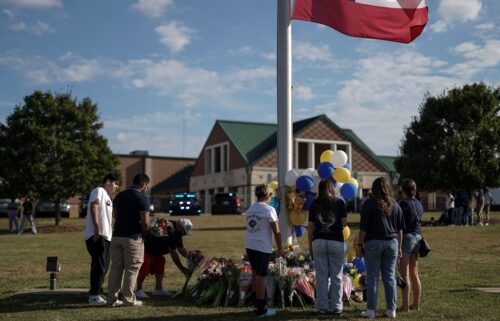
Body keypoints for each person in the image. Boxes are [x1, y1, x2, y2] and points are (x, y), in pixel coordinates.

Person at [357, 177, 405, 319]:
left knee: (372, 278)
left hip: (373, 244)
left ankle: (371, 310)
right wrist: (400, 247)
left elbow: (363, 228)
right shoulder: (395, 205)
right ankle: (392, 310)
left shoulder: (369, 204)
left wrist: (360, 244)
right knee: (389, 277)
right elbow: (400, 229)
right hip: (392, 243)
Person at [107, 173, 151, 307]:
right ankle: (128, 299)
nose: (147, 188)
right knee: (132, 269)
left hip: (117, 235)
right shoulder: (142, 198)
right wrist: (146, 230)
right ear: (143, 184)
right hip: (133, 237)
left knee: (116, 268)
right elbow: (145, 221)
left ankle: (111, 299)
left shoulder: (119, 196)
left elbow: (115, 215)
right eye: (147, 186)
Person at [307, 179, 347, 315]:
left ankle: (322, 306)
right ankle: (337, 306)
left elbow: (311, 227)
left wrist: (310, 246)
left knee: (322, 276)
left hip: (318, 241)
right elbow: (344, 224)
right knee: (336, 275)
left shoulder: (314, 204)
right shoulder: (339, 202)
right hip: (336, 241)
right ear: (331, 188)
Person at [245, 183, 282, 317]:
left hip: (250, 245)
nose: (271, 197)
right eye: (271, 195)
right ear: (268, 195)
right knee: (261, 276)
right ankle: (262, 309)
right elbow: (277, 231)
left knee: (255, 274)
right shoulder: (269, 210)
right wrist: (280, 248)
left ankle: (256, 303)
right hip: (261, 247)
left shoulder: (250, 209)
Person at [83, 173, 120, 305]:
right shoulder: (99, 191)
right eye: (116, 183)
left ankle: (97, 291)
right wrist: (97, 229)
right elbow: (94, 206)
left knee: (104, 266)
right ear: (108, 181)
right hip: (97, 235)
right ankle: (93, 296)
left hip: (106, 237)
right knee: (99, 265)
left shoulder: (108, 197)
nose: (117, 186)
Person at [135, 218, 192, 299]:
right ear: (180, 226)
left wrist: (192, 257)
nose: (184, 234)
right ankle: (138, 290)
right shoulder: (169, 228)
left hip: (156, 251)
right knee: (144, 266)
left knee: (160, 262)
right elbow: (173, 253)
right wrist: (182, 268)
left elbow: (180, 248)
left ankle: (158, 289)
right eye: (184, 232)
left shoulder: (177, 231)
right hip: (145, 248)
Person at [398, 179, 423, 312]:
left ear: (403, 190)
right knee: (414, 273)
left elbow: (399, 223)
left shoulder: (402, 204)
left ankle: (405, 306)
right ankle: (416, 304)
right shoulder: (419, 203)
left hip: (407, 237)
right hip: (418, 237)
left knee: (404, 274)